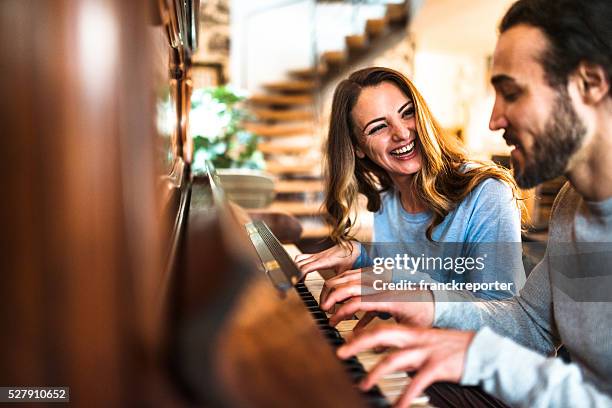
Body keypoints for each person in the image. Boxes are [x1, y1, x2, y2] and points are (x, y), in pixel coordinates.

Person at [334, 0, 612, 407]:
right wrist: (425, 302)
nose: (494, 120)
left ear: (590, 83)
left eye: (512, 92)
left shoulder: (490, 193)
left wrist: (480, 357)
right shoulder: (573, 204)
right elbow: (531, 321)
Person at [295, 66, 526, 305]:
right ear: (357, 148)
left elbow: (500, 311)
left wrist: (391, 278)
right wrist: (359, 258)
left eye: (407, 113)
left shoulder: (488, 193)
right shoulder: (388, 200)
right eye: (378, 127)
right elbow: (402, 300)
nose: (402, 133)